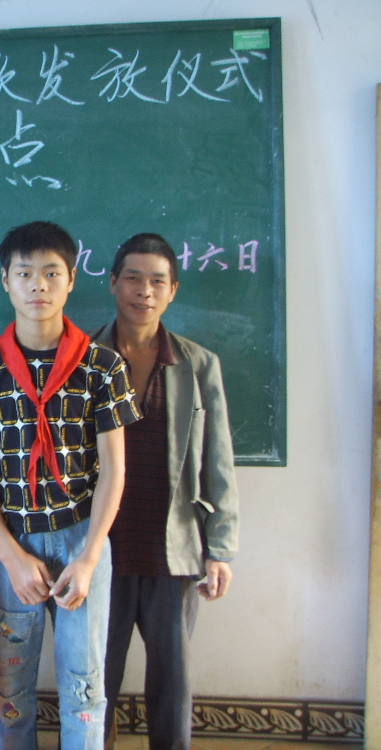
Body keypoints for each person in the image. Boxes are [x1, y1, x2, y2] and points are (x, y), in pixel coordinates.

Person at [0, 221, 141, 750]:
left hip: (82, 539)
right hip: (10, 542)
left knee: (85, 687)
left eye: (52, 273)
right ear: (5, 280)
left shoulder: (102, 366)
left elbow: (114, 469)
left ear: (71, 280)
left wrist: (90, 557)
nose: (38, 285)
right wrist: (9, 556)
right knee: (11, 690)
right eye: (25, 272)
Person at [91, 233, 239, 750]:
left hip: (172, 546)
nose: (144, 291)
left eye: (157, 281)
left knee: (171, 684)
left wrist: (220, 548)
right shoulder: (82, 359)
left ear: (173, 290)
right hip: (100, 548)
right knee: (95, 679)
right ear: (113, 282)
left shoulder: (198, 364)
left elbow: (219, 462)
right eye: (133, 278)